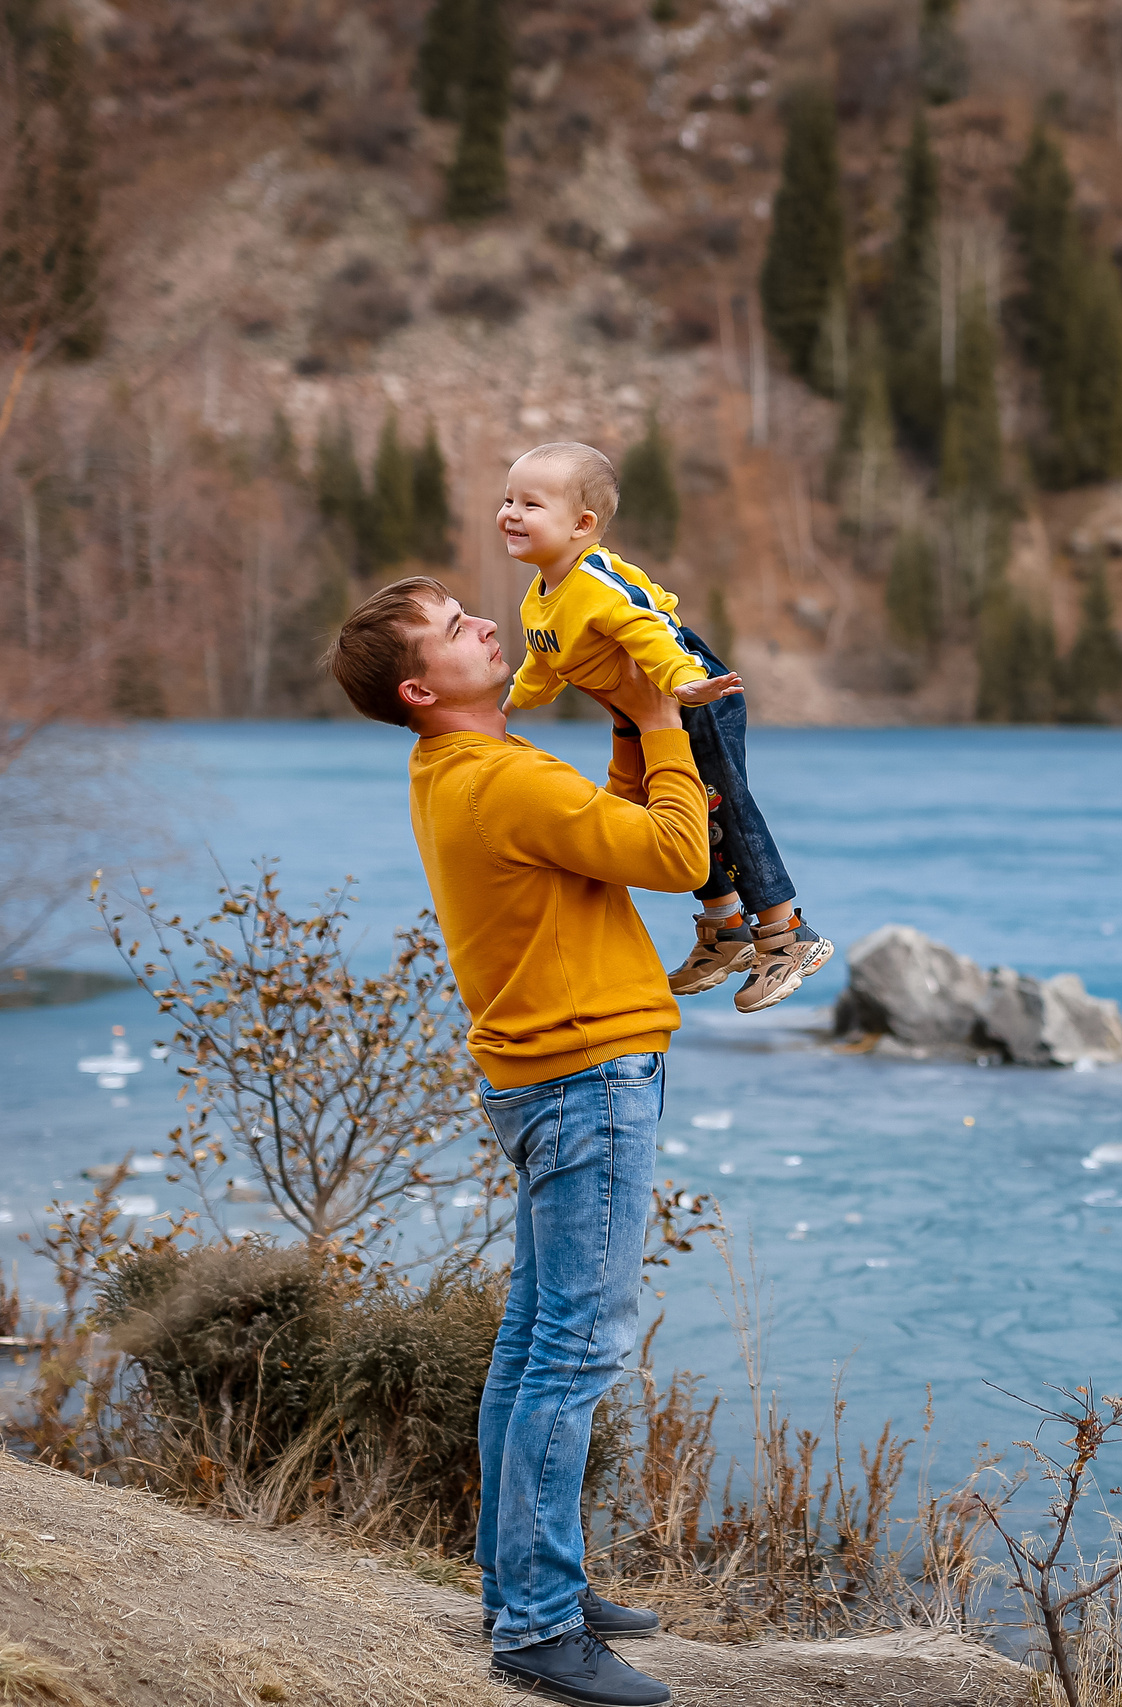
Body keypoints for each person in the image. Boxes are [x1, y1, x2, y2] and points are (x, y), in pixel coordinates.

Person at [324, 576, 694, 1707]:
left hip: (541, 1077)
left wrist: (627, 729)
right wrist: (663, 717)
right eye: (453, 629)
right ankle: (536, 1626)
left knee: (535, 1341)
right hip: (587, 1077)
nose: (486, 623)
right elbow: (676, 855)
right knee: (575, 1351)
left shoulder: (458, 770)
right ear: (420, 688)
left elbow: (601, 838)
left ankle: (521, 1581)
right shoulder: (502, 776)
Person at [499, 440, 833, 1014]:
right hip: (647, 711)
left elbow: (652, 628)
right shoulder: (541, 596)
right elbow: (544, 661)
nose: (511, 513)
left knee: (724, 807)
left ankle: (786, 935)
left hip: (693, 695)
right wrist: (505, 708)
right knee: (680, 813)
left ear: (582, 525)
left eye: (531, 504)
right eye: (508, 500)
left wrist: (684, 684)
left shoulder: (596, 581)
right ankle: (726, 929)